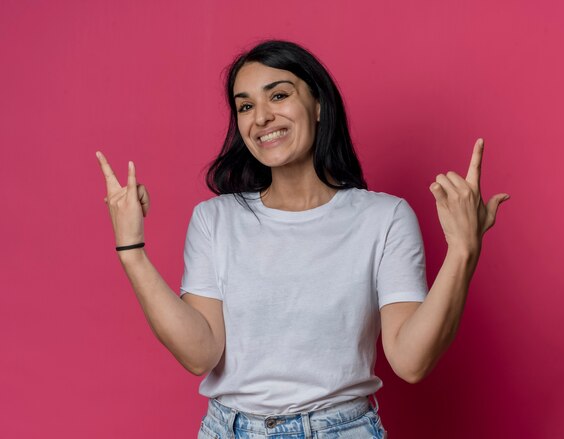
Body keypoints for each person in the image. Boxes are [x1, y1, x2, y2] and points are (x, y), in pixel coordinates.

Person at [96, 40, 509, 439]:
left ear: (318, 106)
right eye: (245, 106)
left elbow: (411, 361)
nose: (260, 117)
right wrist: (132, 252)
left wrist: (462, 251)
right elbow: (199, 353)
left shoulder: (384, 217)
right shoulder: (215, 219)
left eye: (278, 96)